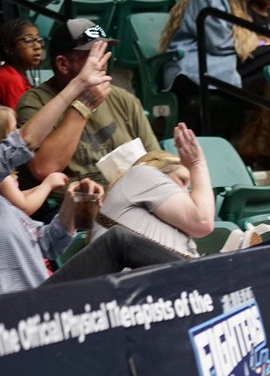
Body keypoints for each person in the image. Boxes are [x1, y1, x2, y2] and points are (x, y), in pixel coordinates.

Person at [1, 42, 180, 295]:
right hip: (21, 312)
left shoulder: (5, 206)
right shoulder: (33, 102)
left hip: (42, 296)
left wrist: (71, 206)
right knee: (118, 241)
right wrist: (78, 90)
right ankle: (206, 282)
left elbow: (46, 244)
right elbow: (23, 144)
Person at [17, 19, 160, 189]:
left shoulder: (123, 99)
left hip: (130, 196)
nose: (102, 63)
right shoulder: (35, 102)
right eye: (92, 56)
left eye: (103, 53)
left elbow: (155, 161)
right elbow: (44, 168)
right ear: (63, 64)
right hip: (74, 206)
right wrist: (83, 106)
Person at [94, 123, 215, 257]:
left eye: (189, 189)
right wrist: (197, 164)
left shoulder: (171, 225)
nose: (186, 194)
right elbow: (202, 222)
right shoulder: (141, 173)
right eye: (181, 181)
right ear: (157, 170)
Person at [0, 19, 43, 109]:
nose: (37, 46)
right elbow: (21, 120)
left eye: (38, 40)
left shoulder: (18, 75)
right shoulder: (11, 79)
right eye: (29, 40)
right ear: (8, 47)